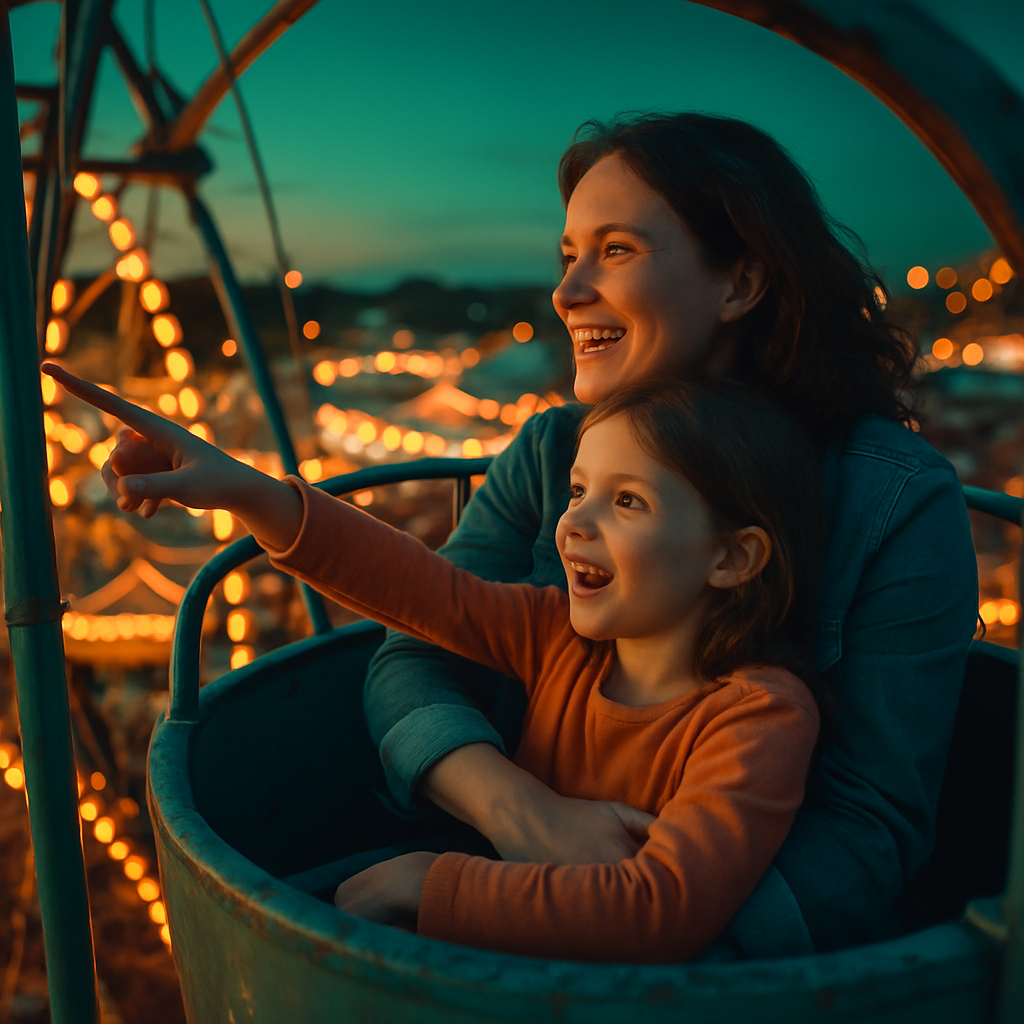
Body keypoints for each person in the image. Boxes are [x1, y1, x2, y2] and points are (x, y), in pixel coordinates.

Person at [361, 112, 979, 958]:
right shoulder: (549, 451)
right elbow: (416, 651)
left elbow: (869, 829)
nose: (567, 292)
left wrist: (640, 950)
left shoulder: (893, 499)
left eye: (616, 250)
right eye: (568, 255)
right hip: (509, 898)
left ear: (740, 283)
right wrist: (528, 819)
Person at [45, 365, 822, 962]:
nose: (575, 523)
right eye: (578, 490)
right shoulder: (559, 635)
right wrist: (243, 492)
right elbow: (418, 588)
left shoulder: (757, 715)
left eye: (627, 503)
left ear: (731, 557)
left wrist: (427, 882)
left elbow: (658, 913)